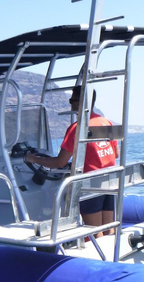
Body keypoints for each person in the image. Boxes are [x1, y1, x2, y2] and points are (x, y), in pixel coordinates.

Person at [23, 86, 118, 236]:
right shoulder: (105, 122)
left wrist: (32, 158)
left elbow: (59, 163)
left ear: (80, 102)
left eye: (71, 100)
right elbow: (115, 154)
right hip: (109, 182)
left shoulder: (77, 128)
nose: (70, 104)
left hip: (90, 185)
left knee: (94, 232)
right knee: (109, 230)